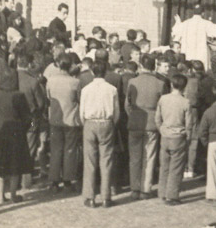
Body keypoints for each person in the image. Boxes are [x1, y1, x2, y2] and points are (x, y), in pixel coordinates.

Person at [125, 53, 167, 199]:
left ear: (141, 65)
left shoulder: (132, 81)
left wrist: (132, 115)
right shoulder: (160, 83)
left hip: (135, 120)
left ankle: (134, 188)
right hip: (152, 122)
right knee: (149, 156)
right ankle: (145, 189)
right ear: (154, 66)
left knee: (134, 157)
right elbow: (162, 106)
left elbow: (127, 104)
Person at [79, 60, 120, 209]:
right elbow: (116, 111)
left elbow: (81, 112)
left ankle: (90, 197)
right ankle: (106, 197)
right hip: (106, 122)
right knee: (106, 160)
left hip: (90, 122)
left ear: (92, 72)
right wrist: (112, 123)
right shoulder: (112, 89)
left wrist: (86, 124)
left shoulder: (86, 89)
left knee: (89, 161)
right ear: (106, 72)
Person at [0, 66, 33, 204]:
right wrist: (24, 128)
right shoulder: (19, 96)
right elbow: (27, 117)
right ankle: (13, 194)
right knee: (15, 165)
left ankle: (1, 195)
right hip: (16, 132)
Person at [45, 53, 82, 191]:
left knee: (55, 150)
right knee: (70, 150)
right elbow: (79, 99)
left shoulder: (50, 81)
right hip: (71, 119)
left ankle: (54, 180)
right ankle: (68, 179)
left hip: (55, 119)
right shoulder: (75, 82)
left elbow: (48, 97)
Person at [155, 72, 191, 205]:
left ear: (171, 84)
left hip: (165, 135)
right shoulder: (186, 102)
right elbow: (189, 124)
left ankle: (162, 192)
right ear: (184, 87)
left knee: (164, 166)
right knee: (176, 168)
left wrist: (162, 129)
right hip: (178, 136)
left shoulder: (163, 99)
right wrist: (188, 137)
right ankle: (172, 195)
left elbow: (157, 118)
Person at [16, 51, 48, 188]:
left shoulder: (10, 78)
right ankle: (26, 180)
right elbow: (40, 103)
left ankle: (16, 179)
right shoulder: (32, 81)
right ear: (29, 65)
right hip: (32, 118)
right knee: (30, 147)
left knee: (16, 147)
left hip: (15, 118)